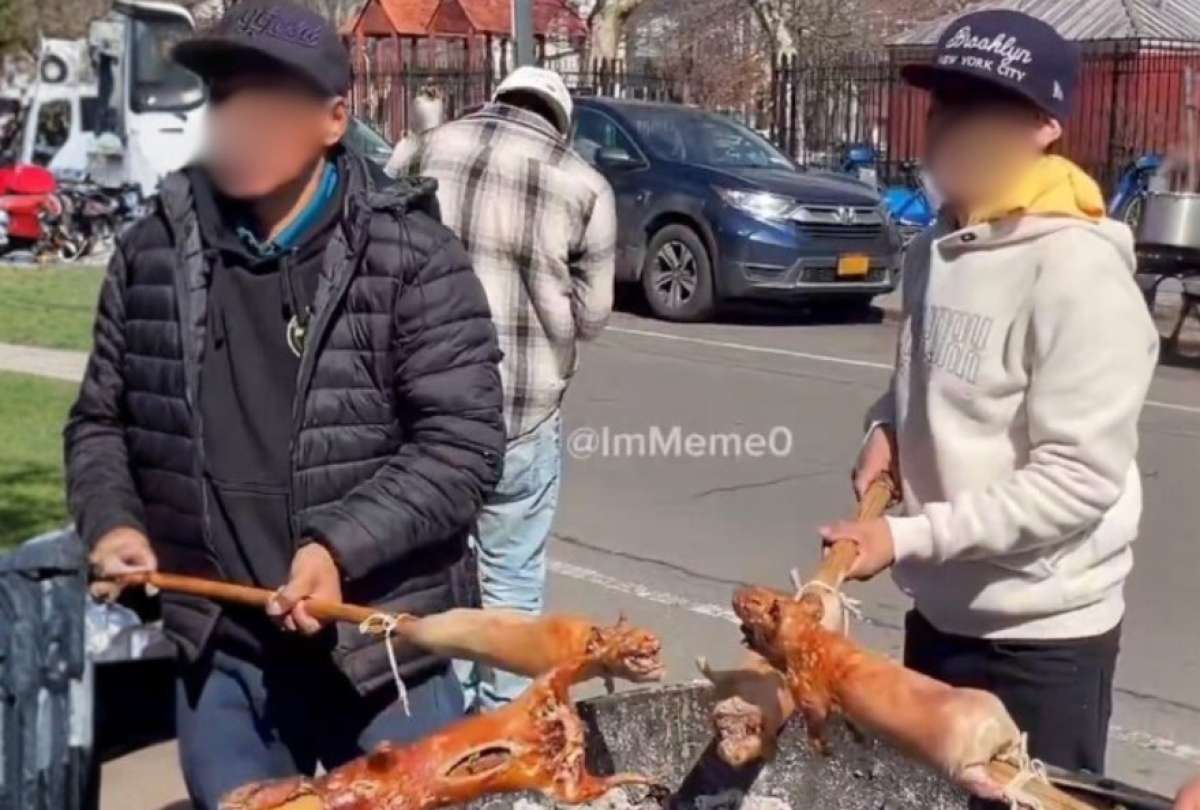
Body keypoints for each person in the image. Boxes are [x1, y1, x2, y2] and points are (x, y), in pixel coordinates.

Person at [64, 3, 505, 807]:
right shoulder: (152, 252)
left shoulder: (413, 258)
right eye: (225, 98)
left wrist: (337, 548)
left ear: (335, 118)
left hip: (380, 655)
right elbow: (101, 423)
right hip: (223, 653)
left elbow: (464, 445)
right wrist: (115, 523)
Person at [819, 9, 1160, 781]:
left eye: (983, 109)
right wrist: (889, 427)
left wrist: (903, 539)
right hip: (939, 617)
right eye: (944, 106)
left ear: (1044, 126)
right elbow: (928, 379)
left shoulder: (1078, 273)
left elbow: (1076, 483)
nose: (952, 129)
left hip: (1043, 639)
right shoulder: (938, 244)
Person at [395, 66, 617, 709]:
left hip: (423, 414)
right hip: (521, 415)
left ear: (496, 100)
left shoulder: (420, 152)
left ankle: (437, 728)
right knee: (511, 584)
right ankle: (502, 747)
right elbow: (594, 316)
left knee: (433, 580)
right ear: (560, 122)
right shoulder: (583, 184)